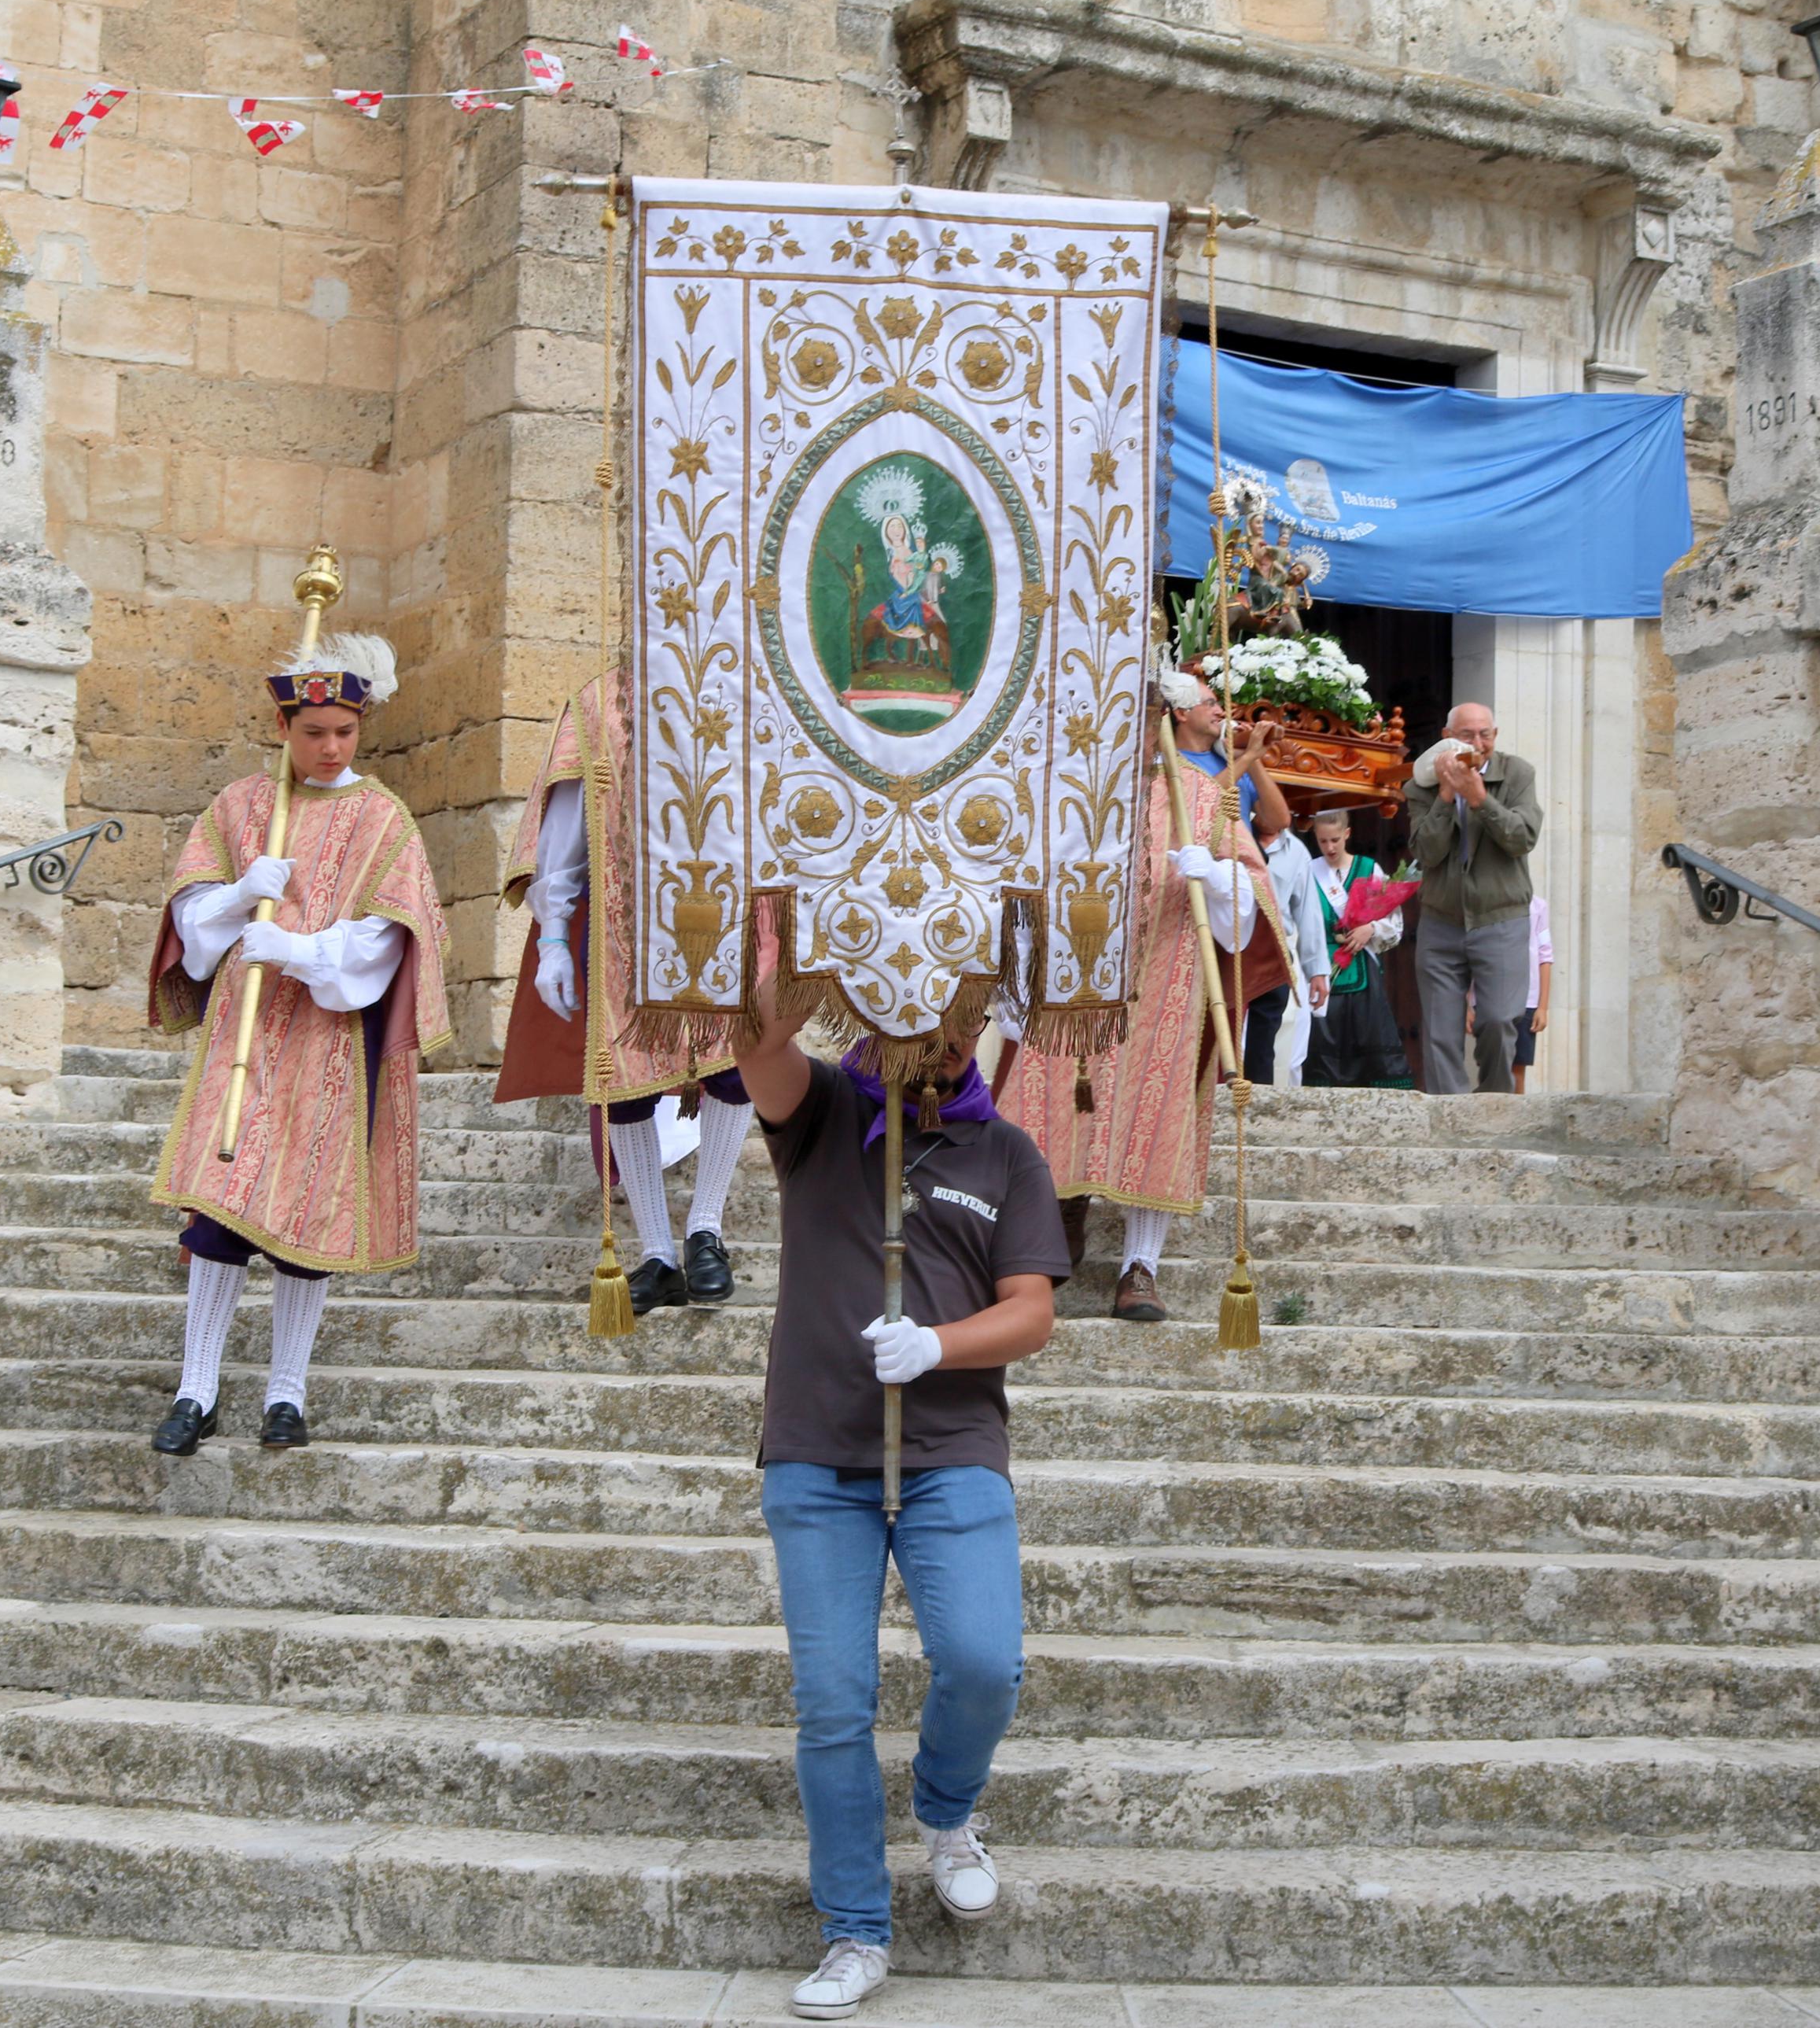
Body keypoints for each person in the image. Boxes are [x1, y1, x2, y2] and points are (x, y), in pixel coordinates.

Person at [734, 993, 1070, 2020]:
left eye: (969, 1025)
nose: (947, 1042)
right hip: (817, 1451)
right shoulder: (825, 1112)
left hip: (950, 1449)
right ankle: (852, 1927)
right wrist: (815, 950)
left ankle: (942, 1804)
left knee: (981, 1658)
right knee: (832, 1701)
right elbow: (753, 1040)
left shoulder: (1005, 1153)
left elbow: (1032, 1309)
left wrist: (936, 1343)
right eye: (929, 1015)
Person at [144, 633, 454, 1455]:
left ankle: (285, 1393)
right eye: (313, 731)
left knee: (307, 1218)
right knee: (218, 1206)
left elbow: (393, 936)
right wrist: (239, 896)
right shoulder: (241, 807)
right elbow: (189, 918)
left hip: (327, 1040)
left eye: (343, 732)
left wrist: (303, 950)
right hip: (241, 1034)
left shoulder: (383, 818)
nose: (329, 747)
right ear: (285, 727)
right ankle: (196, 1389)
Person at [999, 669, 1288, 1322]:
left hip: (1170, 976)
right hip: (1078, 978)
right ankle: (1052, 1227)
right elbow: (1022, 880)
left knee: (1156, 1112)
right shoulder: (1071, 788)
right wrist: (1014, 976)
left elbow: (1251, 896)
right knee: (1057, 1106)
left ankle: (1140, 1266)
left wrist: (1213, 874)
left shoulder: (1201, 795)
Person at [498, 668, 757, 1310]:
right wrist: (553, 935)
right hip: (620, 919)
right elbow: (567, 820)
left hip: (725, 907)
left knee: (733, 1065)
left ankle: (706, 1228)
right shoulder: (597, 701)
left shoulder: (745, 676)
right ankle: (657, 1252)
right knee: (623, 1079)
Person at [1402, 702, 1541, 1095]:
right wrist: (1446, 796)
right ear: (1448, 739)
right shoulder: (1421, 786)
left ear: (1495, 736)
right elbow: (1425, 853)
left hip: (1501, 918)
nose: (1477, 744)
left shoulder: (1517, 774)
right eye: (1467, 736)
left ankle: (1494, 1108)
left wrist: (1481, 800)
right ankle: (1449, 1119)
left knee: (1498, 1021)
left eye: (1485, 735)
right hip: (1441, 921)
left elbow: (1522, 838)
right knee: (1441, 1032)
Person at [1300, 806, 1408, 1089]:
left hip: (1363, 972)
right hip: (1322, 970)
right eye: (1323, 841)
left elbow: (1394, 920)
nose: (1330, 847)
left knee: (1369, 1035)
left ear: (1347, 834)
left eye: (1335, 839)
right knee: (1323, 1041)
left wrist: (1371, 929)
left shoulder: (1368, 868)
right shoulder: (1309, 871)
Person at [1243, 811, 1330, 1087]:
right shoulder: (1236, 835)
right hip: (1232, 943)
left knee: (1277, 1032)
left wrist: (1316, 971)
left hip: (1276, 947)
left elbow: (1308, 913)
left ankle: (1263, 1097)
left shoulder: (1297, 852)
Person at [1512, 894, 1555, 1093]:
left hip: (1527, 999)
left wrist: (1543, 1007)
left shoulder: (1537, 906)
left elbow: (1545, 954)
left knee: (1517, 1071)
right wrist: (1470, 1003)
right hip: (1488, 997)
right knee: (1492, 1066)